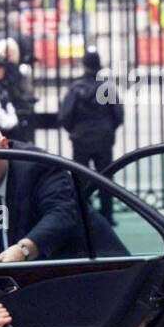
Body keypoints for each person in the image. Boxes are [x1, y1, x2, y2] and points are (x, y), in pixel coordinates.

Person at [0, 116, 82, 261]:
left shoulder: (38, 166)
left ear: (4, 145)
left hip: (72, 269)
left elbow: (62, 214)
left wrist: (24, 249)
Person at [59, 49, 124, 221]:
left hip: (81, 137)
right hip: (103, 137)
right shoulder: (106, 87)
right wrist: (109, 128)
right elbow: (118, 114)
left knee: (80, 177)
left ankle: (84, 212)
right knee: (105, 176)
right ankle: (107, 214)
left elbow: (65, 115)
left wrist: (73, 130)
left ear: (84, 65)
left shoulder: (75, 88)